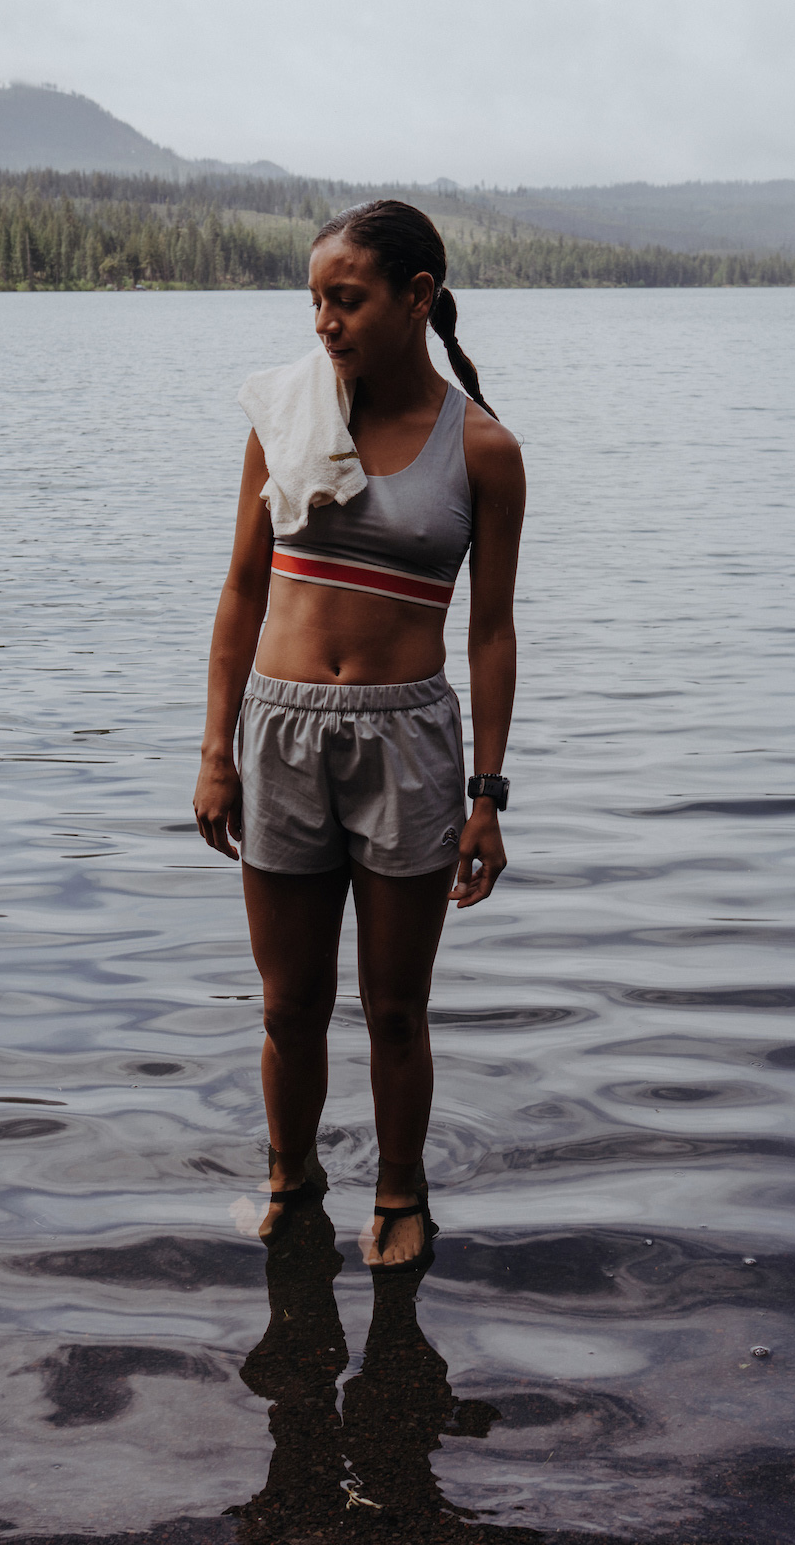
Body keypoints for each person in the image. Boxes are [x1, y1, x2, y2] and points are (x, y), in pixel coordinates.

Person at [194, 199, 526, 1274]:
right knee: (289, 1005)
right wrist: (214, 751)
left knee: (395, 1010)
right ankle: (291, 1180)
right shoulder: (285, 417)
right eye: (315, 302)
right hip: (281, 733)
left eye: (347, 299)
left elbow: (491, 630)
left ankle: (400, 1191)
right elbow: (242, 591)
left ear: (417, 298)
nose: (324, 323)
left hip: (407, 742)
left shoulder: (483, 450)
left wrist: (487, 794)